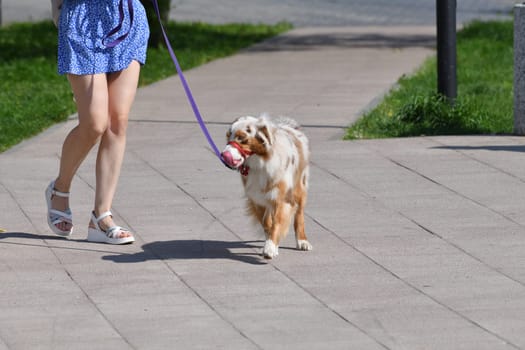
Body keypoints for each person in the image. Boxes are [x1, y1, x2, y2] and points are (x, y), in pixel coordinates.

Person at [45, 0, 150, 244]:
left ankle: (101, 217)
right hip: (83, 19)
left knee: (117, 121)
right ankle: (59, 189)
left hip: (127, 16)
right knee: (94, 123)